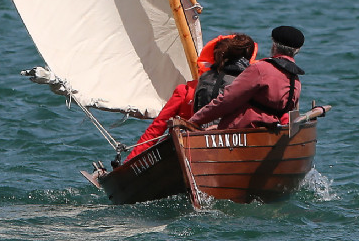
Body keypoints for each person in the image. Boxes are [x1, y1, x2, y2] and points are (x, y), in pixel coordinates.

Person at [124, 33, 257, 162]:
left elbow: (156, 129)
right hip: (226, 150)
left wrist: (129, 162)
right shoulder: (247, 86)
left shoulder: (185, 90)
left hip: (189, 150)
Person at [186, 26, 306, 130]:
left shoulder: (260, 69)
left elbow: (227, 99)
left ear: (274, 46)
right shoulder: (295, 80)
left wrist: (193, 121)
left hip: (243, 130)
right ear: (297, 51)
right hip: (271, 131)